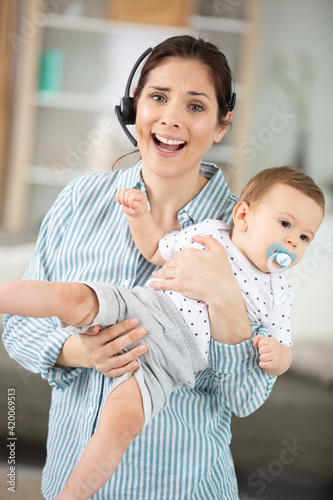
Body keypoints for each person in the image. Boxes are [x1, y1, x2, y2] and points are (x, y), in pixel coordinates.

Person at [2, 35, 287, 500]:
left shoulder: (246, 239)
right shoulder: (80, 201)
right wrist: (80, 351)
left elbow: (246, 397)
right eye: (157, 97)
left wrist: (228, 305)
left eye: (196, 106)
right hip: (71, 482)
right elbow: (16, 325)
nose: (171, 118)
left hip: (182, 488)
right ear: (133, 108)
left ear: (221, 125)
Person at [0, 166, 324, 498]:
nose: (292, 241)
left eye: (304, 237)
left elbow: (281, 347)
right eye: (285, 224)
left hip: (173, 358)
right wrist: (138, 215)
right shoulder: (211, 233)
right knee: (76, 297)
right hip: (145, 308)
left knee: (123, 423)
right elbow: (156, 249)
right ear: (242, 216)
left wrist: (278, 356)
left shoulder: (277, 293)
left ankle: (71, 494)